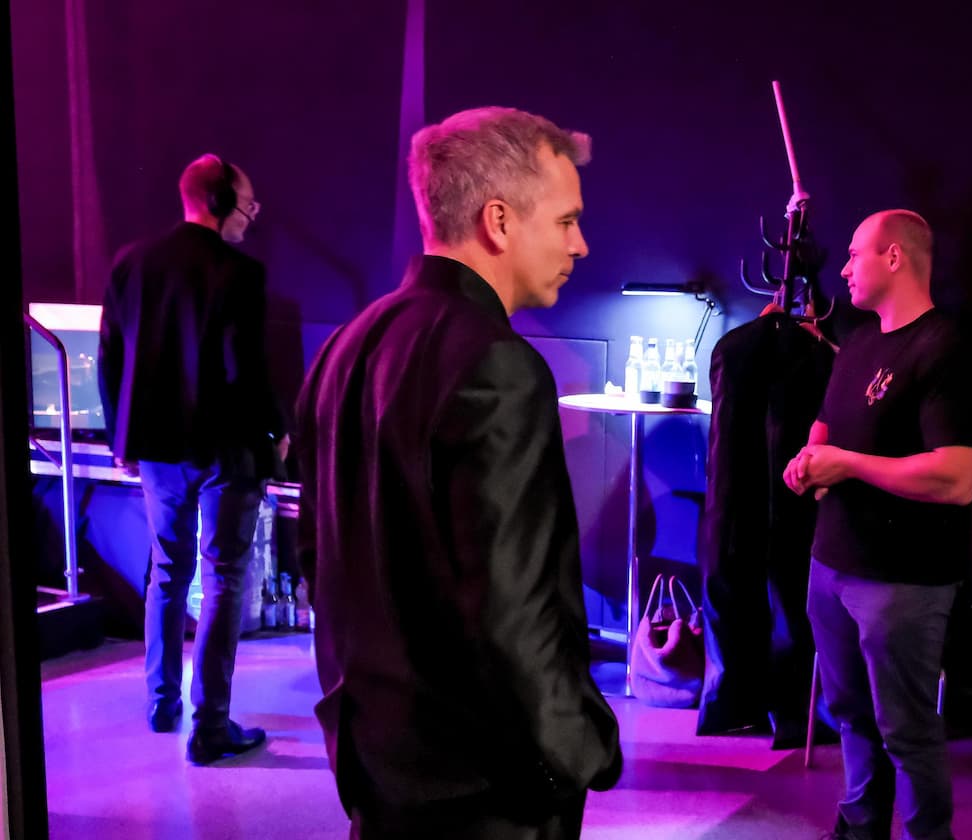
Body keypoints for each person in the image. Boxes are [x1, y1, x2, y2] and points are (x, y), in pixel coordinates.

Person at [294, 106, 621, 840]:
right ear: (499, 221)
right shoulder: (500, 364)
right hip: (482, 786)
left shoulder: (347, 345)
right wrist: (582, 751)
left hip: (378, 763)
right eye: (566, 220)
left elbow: (318, 558)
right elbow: (513, 609)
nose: (582, 244)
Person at [784, 210, 972, 840]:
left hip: (903, 581)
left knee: (906, 729)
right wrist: (810, 457)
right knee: (849, 715)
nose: (842, 267)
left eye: (853, 254)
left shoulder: (946, 349)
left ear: (893, 258)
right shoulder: (861, 339)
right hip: (833, 565)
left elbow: (957, 478)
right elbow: (828, 422)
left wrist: (846, 464)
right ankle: (861, 826)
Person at [98, 153, 283, 764]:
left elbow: (110, 360)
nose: (251, 217)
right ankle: (211, 727)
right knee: (224, 577)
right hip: (225, 451)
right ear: (221, 201)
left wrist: (120, 440)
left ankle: (161, 702)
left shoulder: (130, 263)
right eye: (248, 204)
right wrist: (275, 433)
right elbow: (246, 373)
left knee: (167, 570)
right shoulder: (241, 274)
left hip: (155, 450)